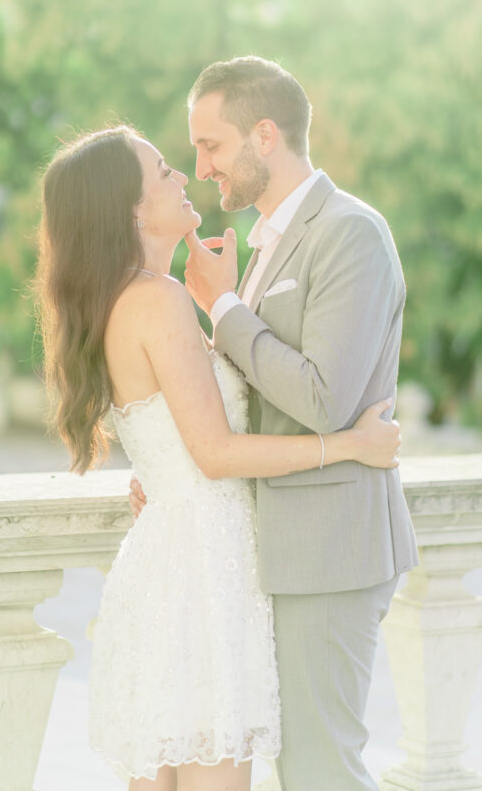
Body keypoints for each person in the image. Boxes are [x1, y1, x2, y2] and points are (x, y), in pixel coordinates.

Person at [35, 124, 403, 791]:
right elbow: (213, 451)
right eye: (164, 172)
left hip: (170, 556)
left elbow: (176, 439)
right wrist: (349, 444)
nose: (183, 178)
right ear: (130, 207)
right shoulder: (155, 301)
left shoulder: (124, 300)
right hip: (203, 566)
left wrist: (216, 303)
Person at [134, 55, 419, 791]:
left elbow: (323, 396)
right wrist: (173, 464)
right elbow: (244, 392)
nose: (201, 169)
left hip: (328, 550)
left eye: (211, 146)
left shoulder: (349, 233)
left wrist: (223, 310)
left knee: (320, 771)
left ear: (265, 135)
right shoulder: (263, 243)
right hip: (270, 548)